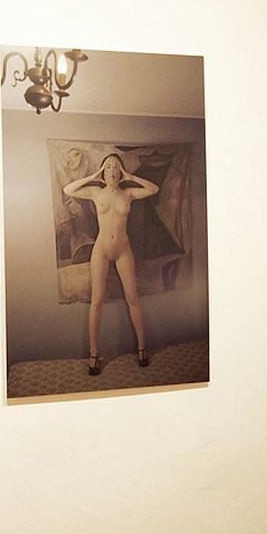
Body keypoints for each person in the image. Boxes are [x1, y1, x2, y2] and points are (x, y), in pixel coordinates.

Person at [63, 153, 159, 375]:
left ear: (121, 172)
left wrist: (130, 177)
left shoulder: (128, 193)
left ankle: (142, 349)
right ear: (103, 172)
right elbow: (69, 189)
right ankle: (94, 355)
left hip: (123, 249)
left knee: (133, 298)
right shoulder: (95, 192)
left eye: (116, 167)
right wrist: (93, 176)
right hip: (102, 250)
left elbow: (154, 189)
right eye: (108, 167)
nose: (112, 170)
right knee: (96, 301)